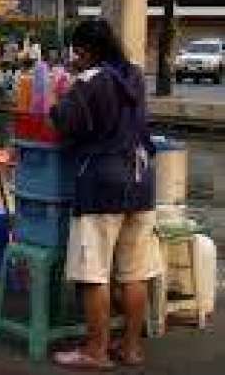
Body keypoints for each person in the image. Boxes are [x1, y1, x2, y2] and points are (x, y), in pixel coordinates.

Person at [50, 19, 159, 370]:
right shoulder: (135, 76)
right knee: (134, 271)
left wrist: (60, 93)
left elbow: (63, 120)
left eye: (76, 51)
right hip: (142, 182)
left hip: (102, 183)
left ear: (83, 50)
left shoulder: (89, 80)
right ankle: (130, 348)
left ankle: (95, 351)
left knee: (92, 271)